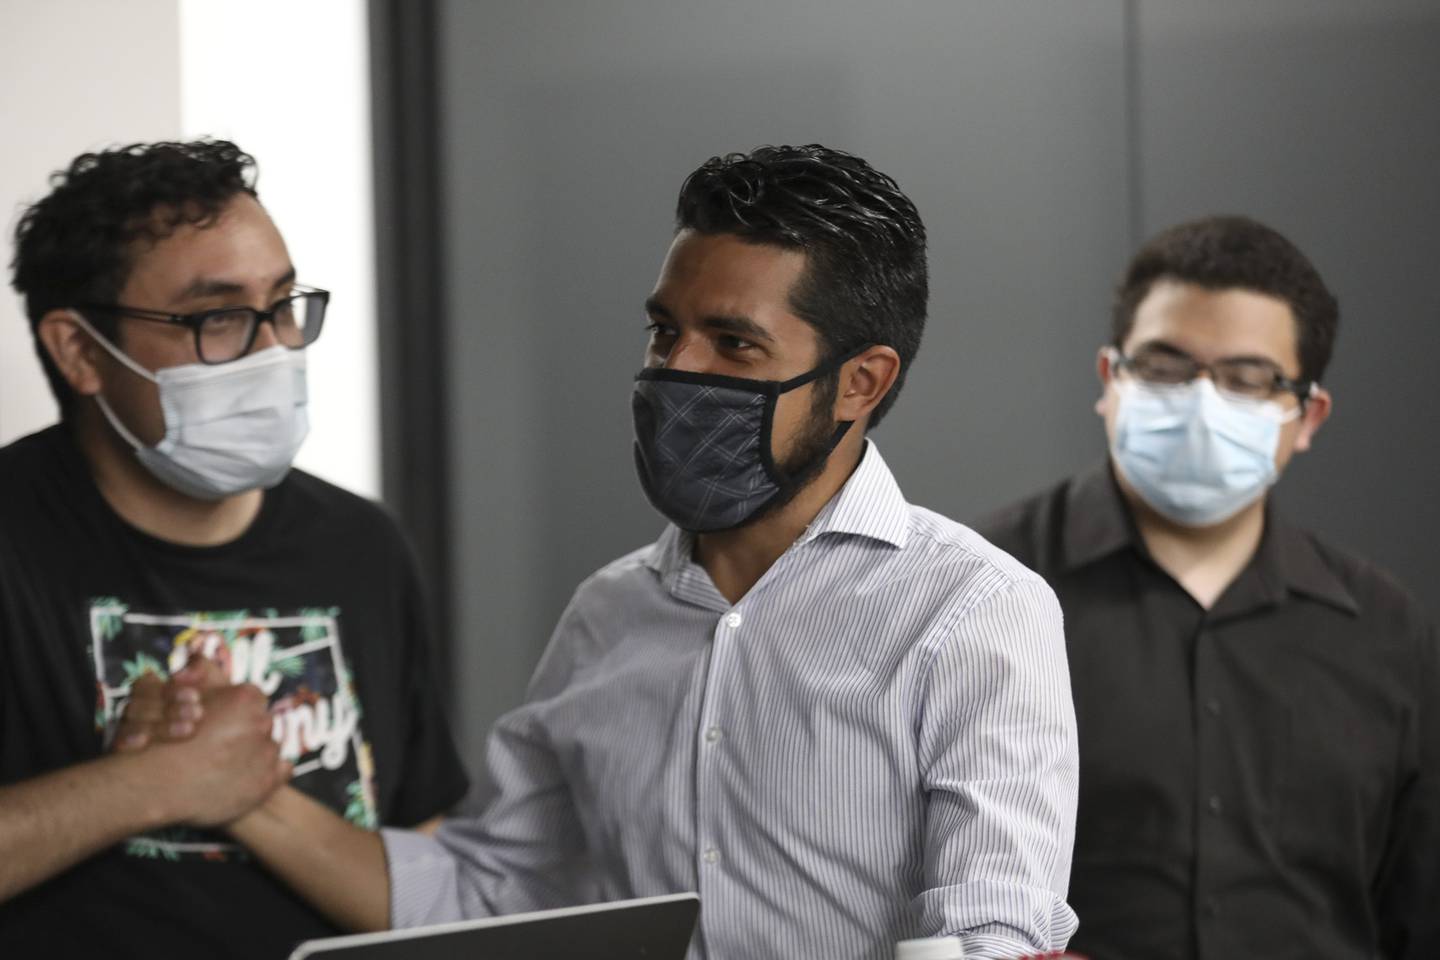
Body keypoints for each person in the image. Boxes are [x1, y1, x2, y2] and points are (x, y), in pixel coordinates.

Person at [126, 144, 1081, 959]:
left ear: (859, 384)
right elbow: (488, 891)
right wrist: (235, 787)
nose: (676, 371)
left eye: (734, 345)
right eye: (667, 330)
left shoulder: (971, 611)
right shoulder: (609, 613)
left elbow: (989, 932)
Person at [0, 140, 469, 958]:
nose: (272, 350)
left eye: (284, 305)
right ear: (79, 351)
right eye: (217, 317)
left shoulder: (361, 545)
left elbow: (423, 869)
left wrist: (240, 789)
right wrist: (153, 782)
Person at [977, 215, 1440, 960]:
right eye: (1164, 366)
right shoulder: (985, 592)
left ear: (1307, 415)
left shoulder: (1386, 630)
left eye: (1247, 378)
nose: (1201, 402)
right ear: (1109, 379)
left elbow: (1417, 915)